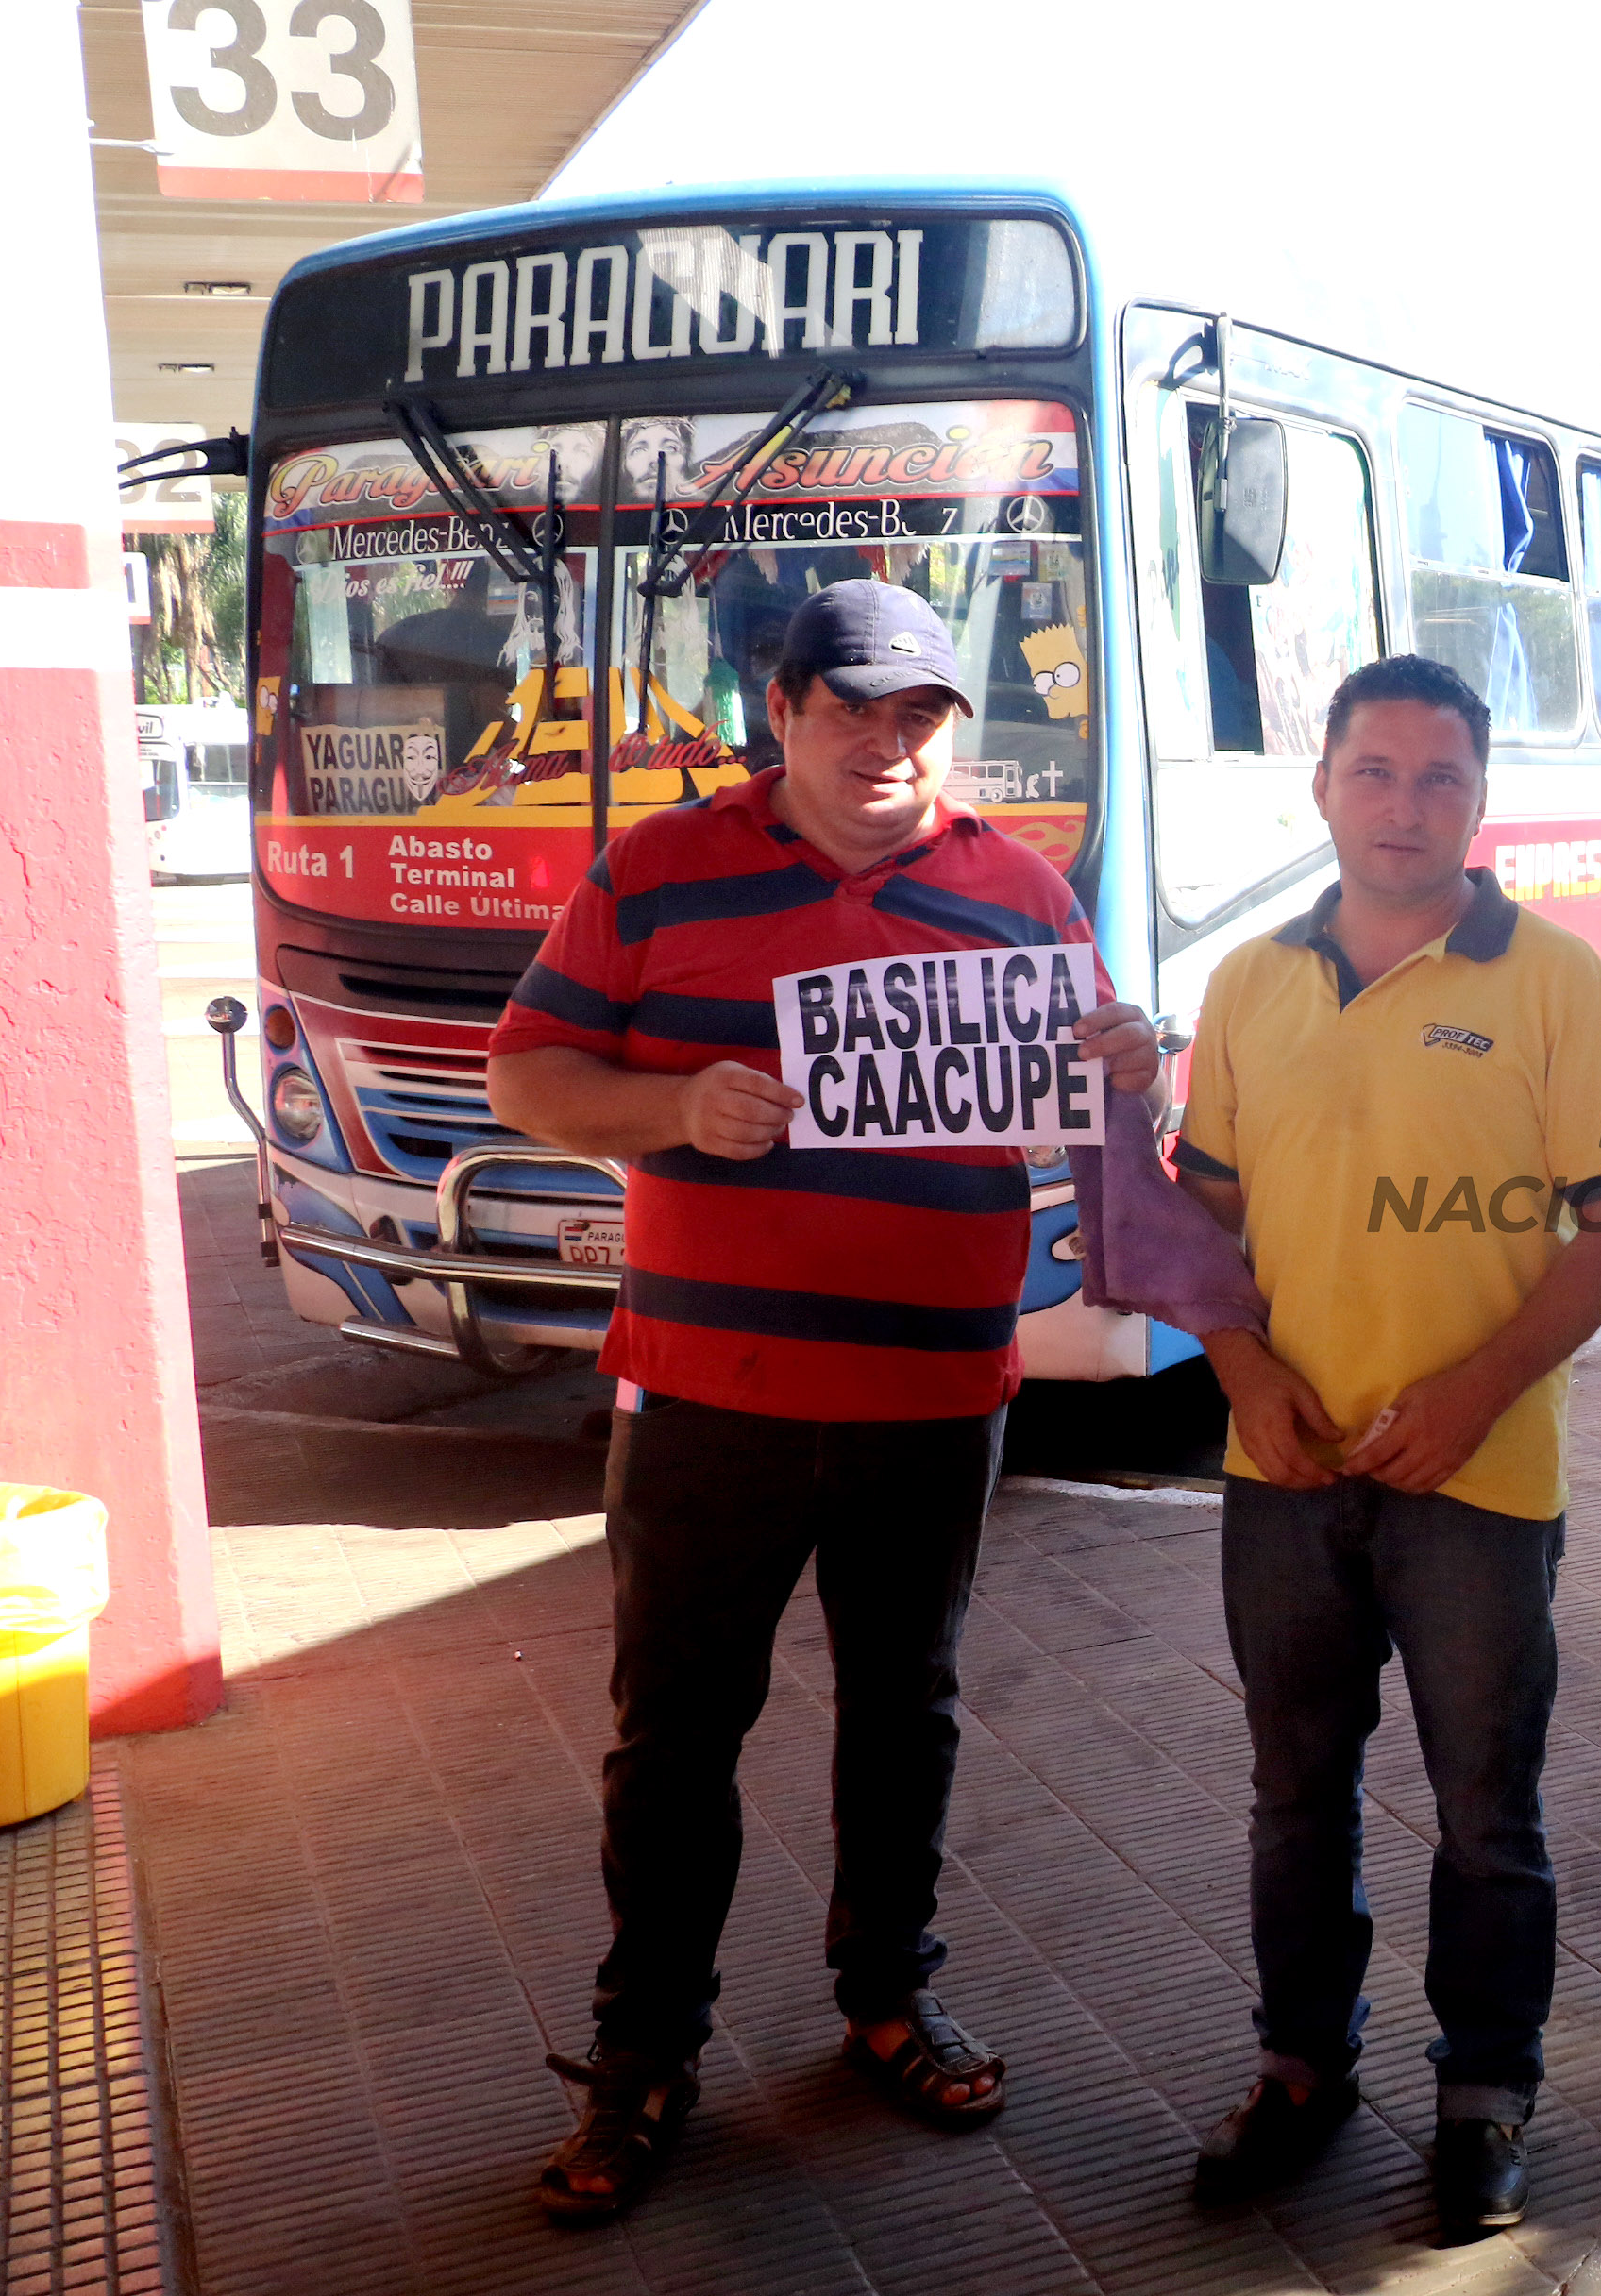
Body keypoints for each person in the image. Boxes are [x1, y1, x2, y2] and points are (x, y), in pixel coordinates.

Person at [487, 581, 1166, 2224]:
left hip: (933, 1395)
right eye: (850, 707)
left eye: (918, 714)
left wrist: (1135, 1066)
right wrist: (671, 1106)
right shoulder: (655, 871)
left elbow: (1090, 1126)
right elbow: (527, 1073)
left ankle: (886, 1994)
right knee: (675, 1735)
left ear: (952, 728)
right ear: (778, 708)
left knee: (906, 1710)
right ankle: (644, 2053)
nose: (884, 742)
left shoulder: (1022, 895)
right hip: (706, 1394)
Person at [1176, 654, 1601, 2239]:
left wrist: (1474, 1393)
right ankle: (1302, 2065)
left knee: (1485, 1808)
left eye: (1440, 777)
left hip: (1481, 1481)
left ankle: (1485, 2093)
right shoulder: (1248, 983)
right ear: (1320, 787)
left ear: (1479, 802)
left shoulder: (1554, 980)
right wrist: (1244, 1377)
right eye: (1374, 772)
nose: (1405, 805)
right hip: (1286, 1479)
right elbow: (1206, 1220)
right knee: (1293, 1796)